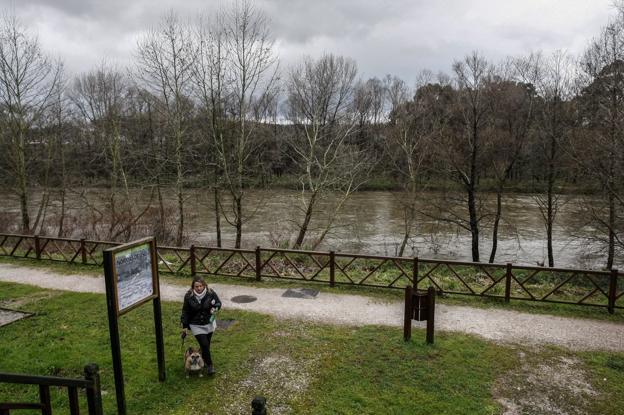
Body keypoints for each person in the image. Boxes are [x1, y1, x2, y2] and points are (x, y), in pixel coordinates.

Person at [180, 276, 221, 375]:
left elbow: (218, 303)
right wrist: (185, 326)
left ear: (204, 285)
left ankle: (202, 359)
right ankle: (210, 366)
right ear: (193, 286)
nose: (198, 288)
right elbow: (185, 311)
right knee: (204, 344)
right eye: (196, 286)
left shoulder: (211, 293)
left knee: (207, 345)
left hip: (209, 323)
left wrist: (215, 308)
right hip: (195, 324)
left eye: (200, 286)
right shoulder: (189, 296)